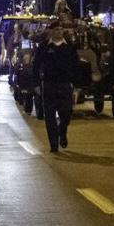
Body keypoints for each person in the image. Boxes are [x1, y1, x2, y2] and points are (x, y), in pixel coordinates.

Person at [34, 22, 77, 153]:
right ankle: (53, 144)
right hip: (49, 84)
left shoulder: (69, 47)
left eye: (61, 29)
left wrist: (77, 86)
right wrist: (36, 84)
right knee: (50, 115)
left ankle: (62, 131)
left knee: (66, 114)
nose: (59, 31)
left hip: (65, 85)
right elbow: (36, 65)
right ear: (51, 31)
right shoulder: (44, 47)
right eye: (56, 29)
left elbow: (76, 66)